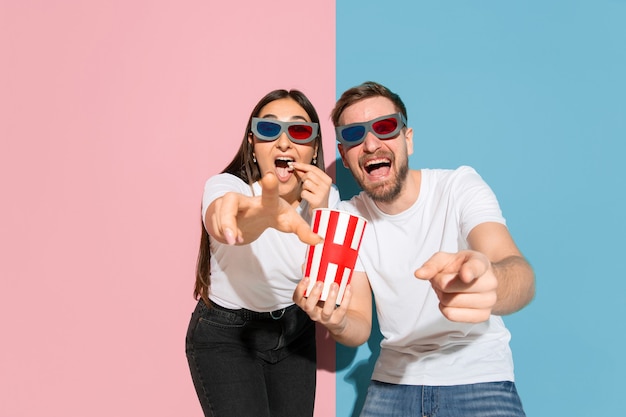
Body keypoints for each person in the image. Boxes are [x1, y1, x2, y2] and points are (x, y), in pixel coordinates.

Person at [294, 81, 536, 417]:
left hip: (481, 377)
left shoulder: (458, 188)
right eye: (353, 136)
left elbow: (517, 271)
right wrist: (334, 321)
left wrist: (491, 282)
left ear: (408, 139)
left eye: (385, 127)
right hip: (393, 384)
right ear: (345, 158)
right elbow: (360, 323)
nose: (370, 143)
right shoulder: (349, 217)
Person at [185, 88, 340, 417]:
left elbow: (331, 288)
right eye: (269, 130)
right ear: (253, 146)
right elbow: (222, 217)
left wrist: (326, 214)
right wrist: (254, 219)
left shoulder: (328, 198)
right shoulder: (229, 187)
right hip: (227, 336)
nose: (284, 143)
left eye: (298, 130)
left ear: (313, 149)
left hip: (295, 331)